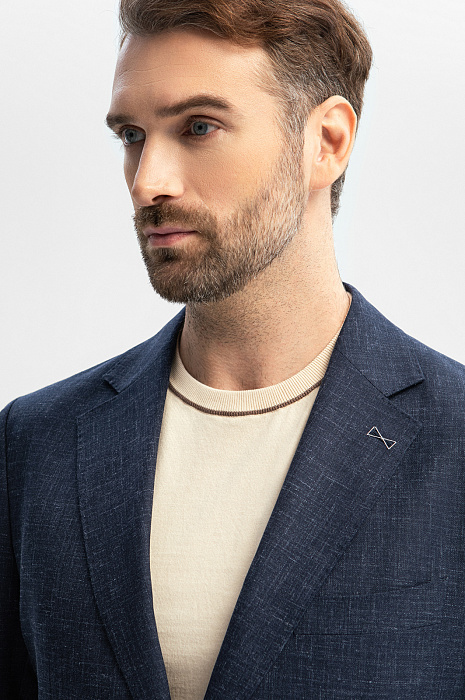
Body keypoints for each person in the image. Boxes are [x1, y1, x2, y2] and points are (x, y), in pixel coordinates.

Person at [1, 0, 464, 697]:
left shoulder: (453, 438)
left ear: (327, 142)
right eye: (132, 135)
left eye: (198, 127)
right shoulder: (37, 445)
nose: (147, 181)